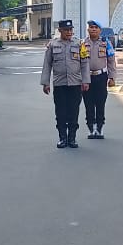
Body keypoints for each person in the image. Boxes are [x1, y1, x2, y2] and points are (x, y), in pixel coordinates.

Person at [40, 19, 89, 148]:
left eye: (70, 30)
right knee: (60, 112)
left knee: (74, 112)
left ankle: (72, 138)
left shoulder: (79, 44)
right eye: (66, 30)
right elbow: (47, 64)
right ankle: (62, 138)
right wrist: (45, 83)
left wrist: (86, 81)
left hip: (75, 84)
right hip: (59, 84)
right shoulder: (53, 45)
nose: (69, 32)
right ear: (60, 30)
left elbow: (84, 64)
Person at [82, 20, 117, 139]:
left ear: (100, 30)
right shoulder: (82, 44)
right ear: (88, 29)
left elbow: (111, 61)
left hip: (101, 77)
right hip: (87, 78)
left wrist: (112, 77)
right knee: (88, 104)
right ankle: (91, 128)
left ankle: (100, 128)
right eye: (91, 27)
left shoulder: (105, 43)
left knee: (100, 103)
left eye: (96, 28)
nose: (93, 29)